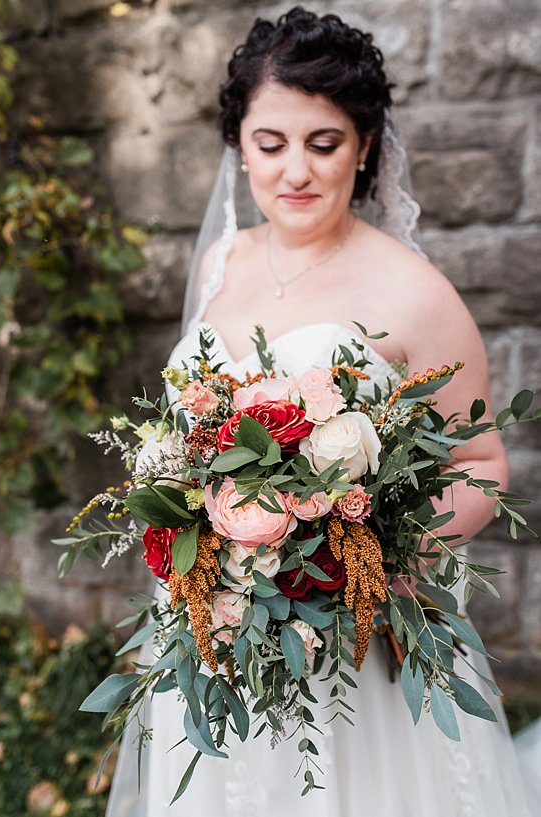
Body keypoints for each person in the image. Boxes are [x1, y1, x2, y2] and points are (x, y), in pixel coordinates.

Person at [102, 8, 538, 816]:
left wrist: (361, 556)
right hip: (217, 632)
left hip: (353, 646)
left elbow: (484, 466)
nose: (295, 171)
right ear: (240, 146)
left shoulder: (412, 291)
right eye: (271, 144)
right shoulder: (220, 262)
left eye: (324, 143)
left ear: (365, 145)